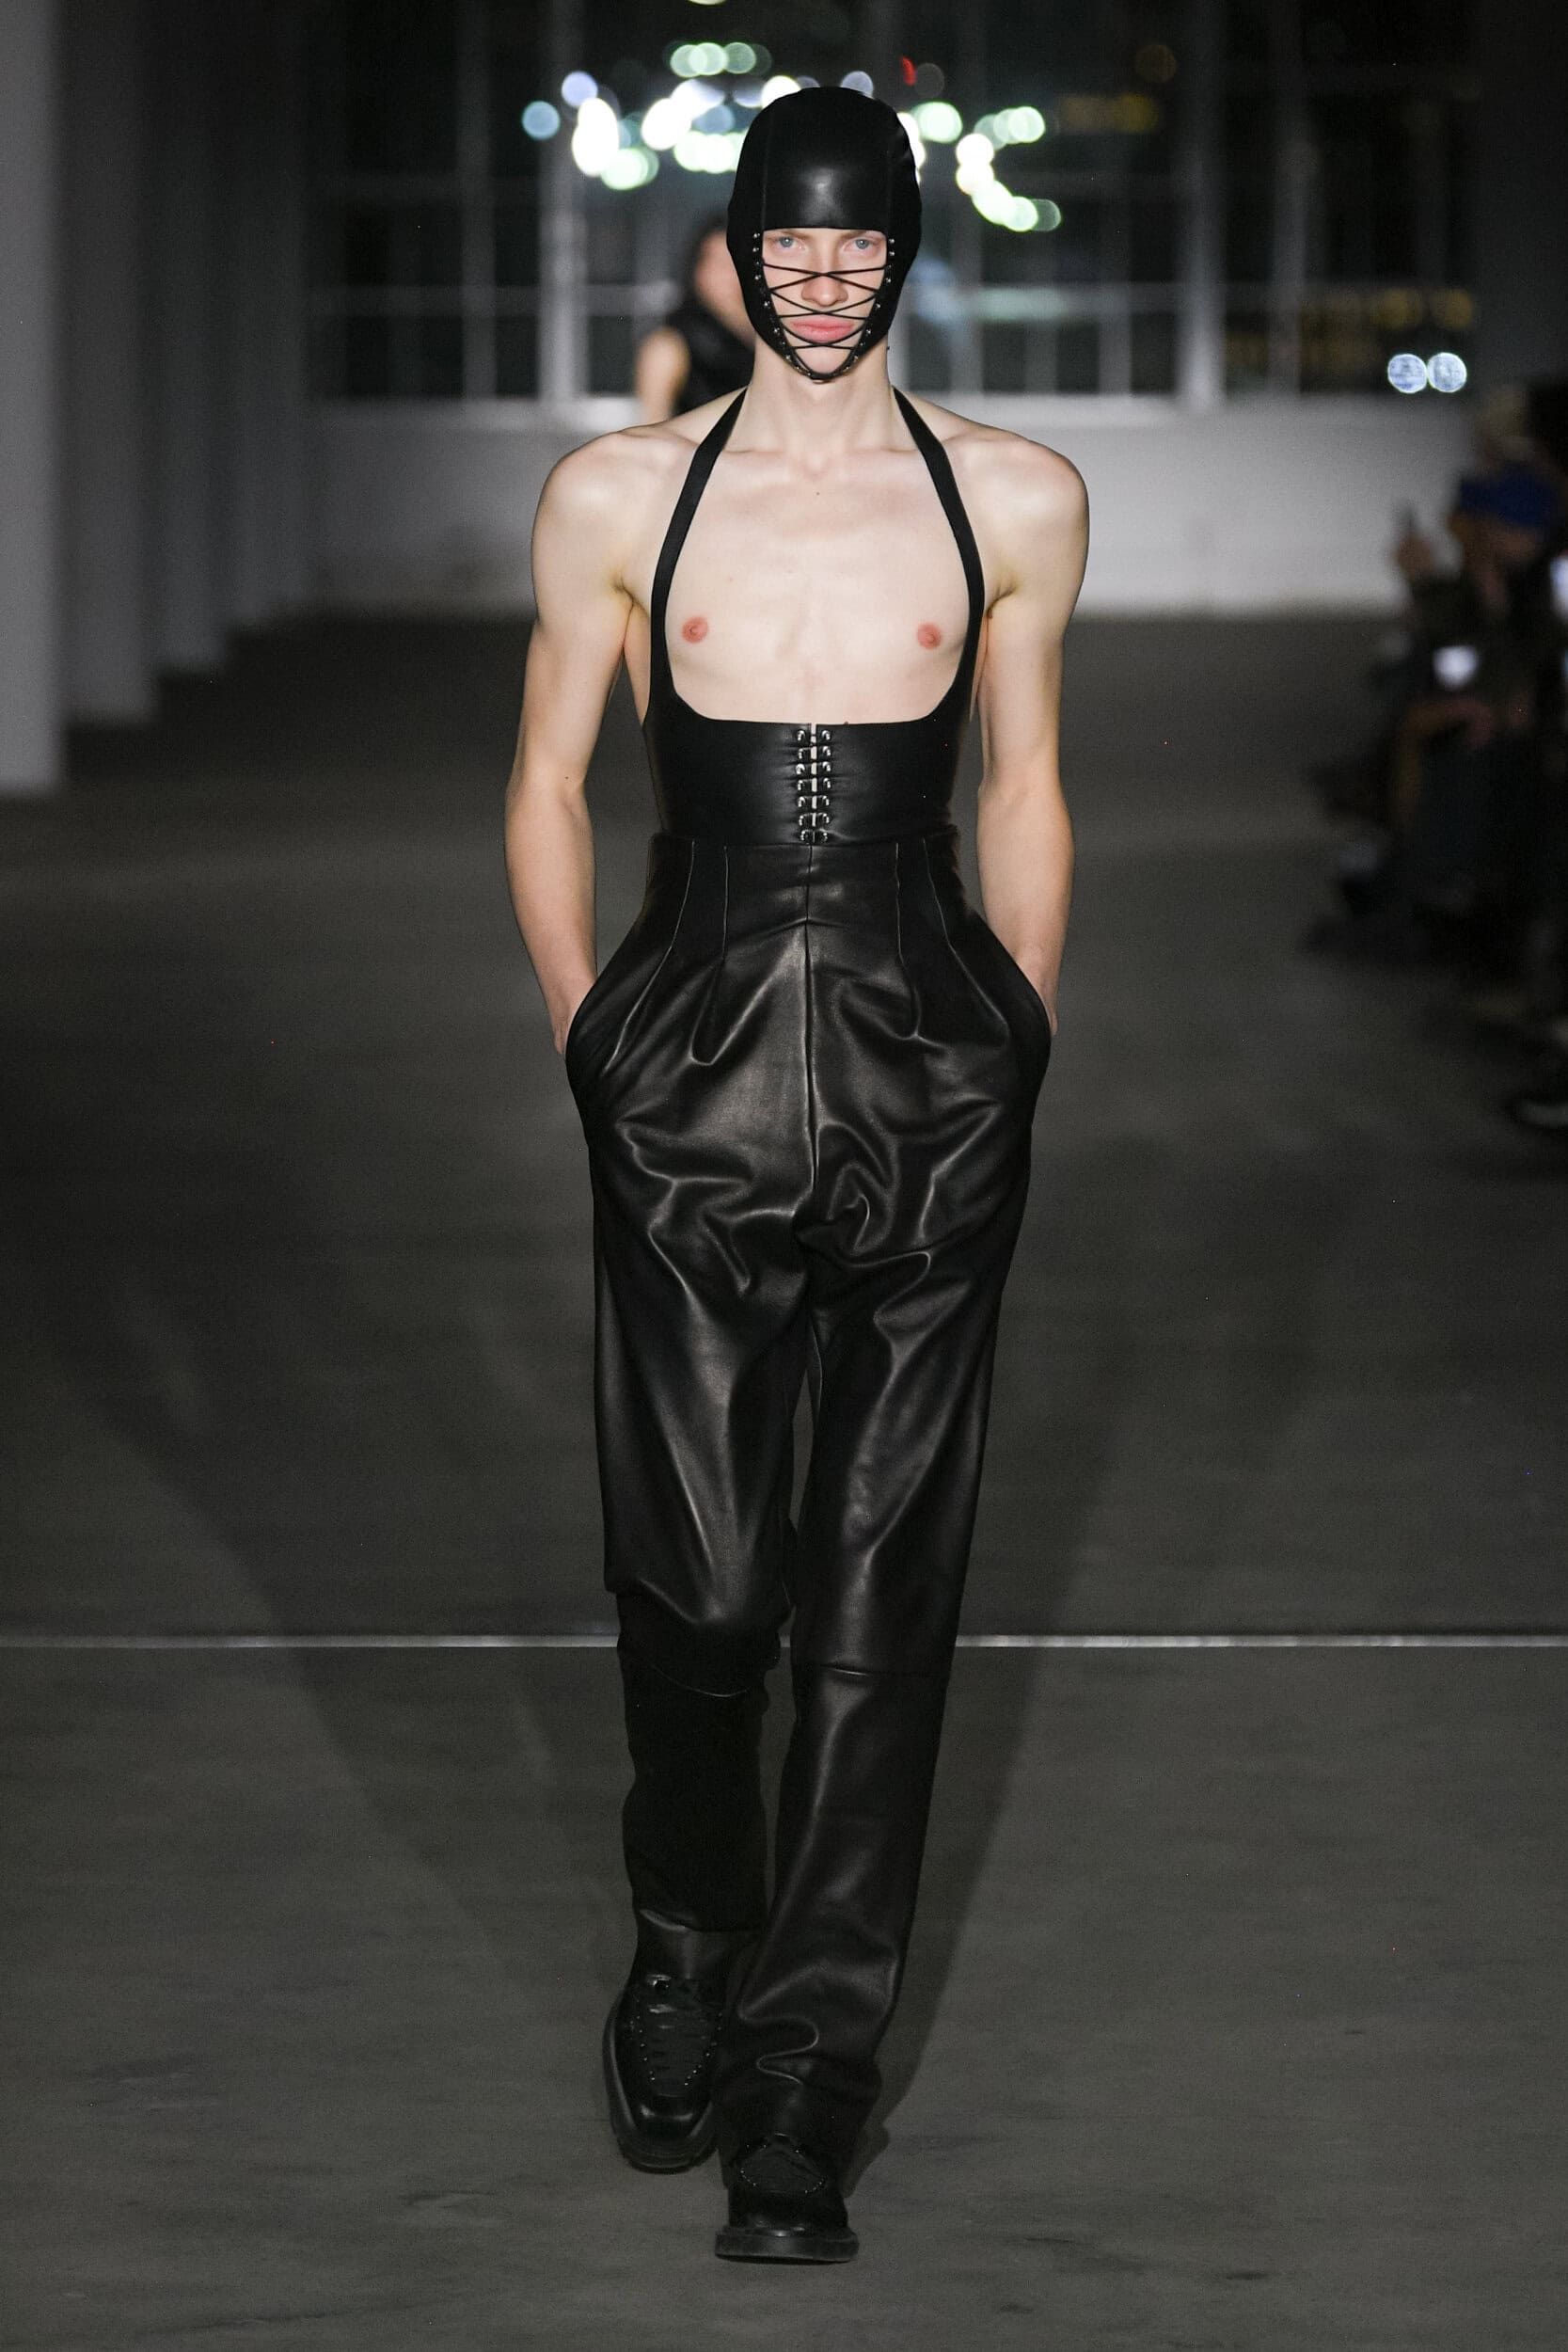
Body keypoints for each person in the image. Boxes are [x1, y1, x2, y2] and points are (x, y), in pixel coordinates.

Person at [504, 85, 1087, 2264]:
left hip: (931, 1045)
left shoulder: (1009, 494)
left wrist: (1017, 1038)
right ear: (742, 250)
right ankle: (686, 1930)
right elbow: (545, 775)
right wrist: (589, 1033)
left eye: (860, 243)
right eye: (791, 243)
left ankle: (805, 2079)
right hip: (694, 1033)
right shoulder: (619, 493)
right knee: (700, 1573)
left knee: (878, 1589)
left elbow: (1022, 778)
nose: (825, 277)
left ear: (906, 249)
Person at [634, 212, 754, 422]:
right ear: (697, 268)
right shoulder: (669, 344)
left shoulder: (770, 335)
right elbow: (652, 425)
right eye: (716, 262)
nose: (728, 274)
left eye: (736, 262)